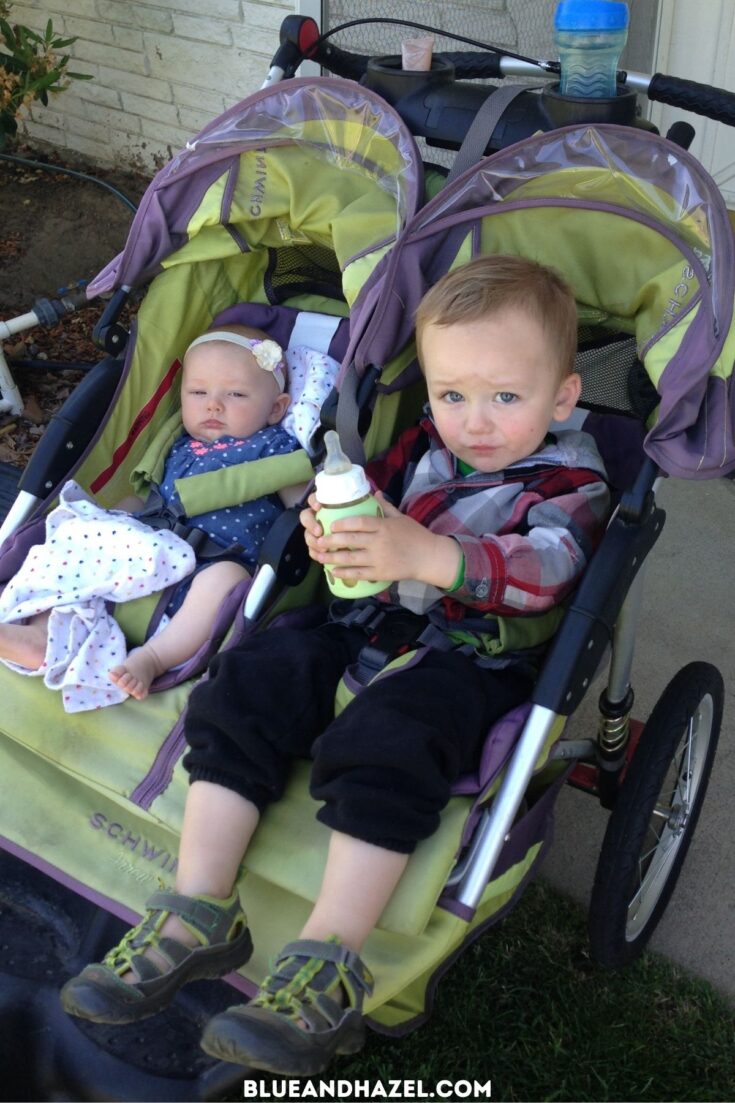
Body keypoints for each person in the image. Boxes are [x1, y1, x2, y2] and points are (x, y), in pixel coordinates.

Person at [60, 256, 611, 1074]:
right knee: (246, 685)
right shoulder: (422, 448)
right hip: (364, 624)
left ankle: (326, 961)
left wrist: (429, 553)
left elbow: (545, 571)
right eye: (452, 394)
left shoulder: (572, 482)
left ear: (561, 397)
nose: (475, 420)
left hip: (469, 657)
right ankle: (197, 912)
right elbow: (363, 515)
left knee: (390, 742)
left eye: (506, 396)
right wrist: (333, 532)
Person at [0, 325, 298, 707]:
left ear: (276, 408)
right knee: (83, 528)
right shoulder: (176, 444)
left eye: (236, 394)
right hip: (144, 554)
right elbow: (143, 496)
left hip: (213, 564)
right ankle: (41, 634)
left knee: (228, 580)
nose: (213, 405)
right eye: (198, 392)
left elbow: (303, 504)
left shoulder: (275, 447)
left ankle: (154, 657)